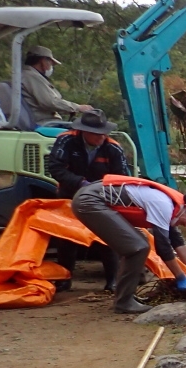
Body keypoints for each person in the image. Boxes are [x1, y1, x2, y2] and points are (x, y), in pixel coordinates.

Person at [70, 175, 186, 315]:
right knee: (138, 247)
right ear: (185, 208)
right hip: (90, 201)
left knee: (138, 245)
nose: (185, 225)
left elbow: (177, 241)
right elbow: (163, 248)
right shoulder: (163, 204)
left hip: (91, 198)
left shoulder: (174, 208)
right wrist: (180, 276)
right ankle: (124, 302)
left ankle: (125, 296)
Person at [46, 111, 130, 292]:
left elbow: (121, 178)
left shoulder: (113, 148)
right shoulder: (66, 141)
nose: (101, 137)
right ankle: (64, 279)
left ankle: (113, 281)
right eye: (96, 134)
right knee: (66, 236)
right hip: (69, 194)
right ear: (84, 131)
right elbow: (56, 168)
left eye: (103, 133)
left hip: (102, 198)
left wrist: (100, 190)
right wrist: (80, 183)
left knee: (106, 237)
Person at [21, 46, 94, 127]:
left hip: (43, 122)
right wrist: (78, 107)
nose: (51, 66)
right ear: (43, 61)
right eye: (51, 63)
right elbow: (50, 102)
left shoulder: (28, 76)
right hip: (44, 123)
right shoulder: (32, 77)